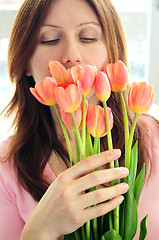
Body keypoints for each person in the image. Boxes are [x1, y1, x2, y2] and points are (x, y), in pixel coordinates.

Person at [0, 0, 158, 239]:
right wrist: (38, 230)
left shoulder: (154, 139)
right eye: (50, 39)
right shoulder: (6, 167)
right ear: (26, 64)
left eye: (88, 37)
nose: (72, 57)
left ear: (111, 52)